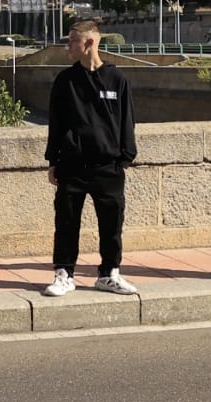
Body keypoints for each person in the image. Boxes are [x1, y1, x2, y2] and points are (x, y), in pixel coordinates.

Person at [43, 21, 139, 298]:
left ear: (90, 43)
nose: (67, 46)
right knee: (66, 222)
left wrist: (124, 158)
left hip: (108, 166)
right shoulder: (65, 81)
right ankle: (64, 273)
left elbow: (127, 121)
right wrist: (53, 160)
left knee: (111, 223)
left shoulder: (116, 78)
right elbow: (56, 123)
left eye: (73, 41)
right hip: (72, 165)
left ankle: (109, 273)